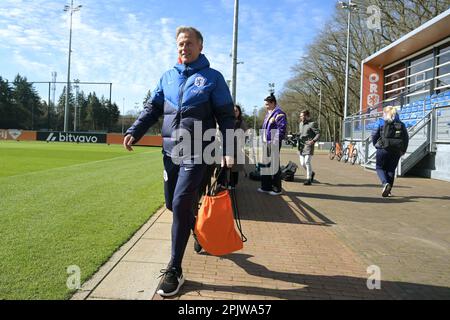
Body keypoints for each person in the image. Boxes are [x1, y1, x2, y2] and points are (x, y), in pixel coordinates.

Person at [123, 26, 234, 297]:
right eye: (180, 44)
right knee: (173, 204)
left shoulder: (213, 78)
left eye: (188, 43)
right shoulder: (168, 77)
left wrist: (230, 149)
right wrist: (134, 131)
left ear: (200, 46)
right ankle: (196, 228)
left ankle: (175, 268)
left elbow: (227, 116)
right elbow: (152, 109)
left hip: (199, 151)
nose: (184, 48)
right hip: (170, 152)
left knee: (182, 200)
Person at [372, 106, 409, 197]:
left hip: (383, 148)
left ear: (385, 113)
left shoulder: (380, 122)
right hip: (396, 150)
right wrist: (403, 150)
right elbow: (406, 138)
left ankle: (385, 184)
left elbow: (374, 135)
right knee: (391, 170)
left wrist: (376, 144)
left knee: (379, 168)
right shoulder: (401, 124)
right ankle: (388, 191)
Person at [258, 93, 287, 195]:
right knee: (265, 165)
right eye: (265, 104)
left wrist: (274, 142)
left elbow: (281, 130)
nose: (266, 106)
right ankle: (266, 187)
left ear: (273, 103)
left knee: (274, 165)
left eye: (267, 104)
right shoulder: (268, 114)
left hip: (273, 143)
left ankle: (277, 189)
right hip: (266, 143)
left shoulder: (279, 113)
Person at [297, 110, 320, 185]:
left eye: (302, 116)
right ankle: (311, 173)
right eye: (300, 116)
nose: (301, 117)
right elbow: (301, 133)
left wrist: (313, 141)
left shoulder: (312, 124)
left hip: (309, 145)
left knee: (307, 162)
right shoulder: (300, 124)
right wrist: (296, 135)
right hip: (301, 146)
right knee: (302, 163)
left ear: (307, 116)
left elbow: (318, 133)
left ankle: (308, 179)